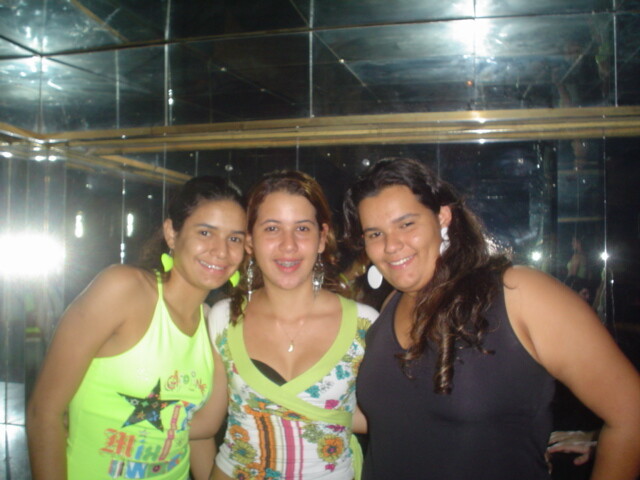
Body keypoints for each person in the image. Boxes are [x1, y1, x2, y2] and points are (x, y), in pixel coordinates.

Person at [342, 158, 640, 480]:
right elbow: (399, 418)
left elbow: (632, 415)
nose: (391, 246)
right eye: (375, 233)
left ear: (442, 217)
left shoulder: (520, 293)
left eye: (406, 224)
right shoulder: (390, 305)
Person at [26, 176, 247, 480]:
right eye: (205, 232)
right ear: (172, 233)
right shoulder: (123, 289)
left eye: (234, 238)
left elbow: (192, 432)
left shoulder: (212, 323)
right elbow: (43, 413)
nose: (221, 251)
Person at [205, 170, 378, 479]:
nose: (288, 245)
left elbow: (384, 417)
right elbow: (202, 423)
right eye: (272, 228)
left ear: (322, 238)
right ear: (250, 240)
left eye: (302, 228)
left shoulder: (364, 325)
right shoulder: (223, 319)